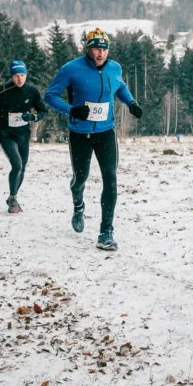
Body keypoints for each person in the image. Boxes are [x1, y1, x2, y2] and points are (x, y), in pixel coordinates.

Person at [44, 28, 142, 251]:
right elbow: (50, 96)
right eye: (97, 49)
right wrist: (71, 110)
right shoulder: (71, 68)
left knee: (111, 178)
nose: (101, 53)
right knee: (81, 178)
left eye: (104, 49)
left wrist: (131, 103)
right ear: (88, 49)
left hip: (106, 132)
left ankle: (106, 232)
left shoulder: (115, 68)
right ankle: (78, 204)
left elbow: (120, 86)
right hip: (80, 134)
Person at [0, 60, 48, 213]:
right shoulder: (3, 89)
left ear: (26, 75)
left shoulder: (32, 91)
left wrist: (33, 117)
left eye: (22, 75)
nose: (19, 79)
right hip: (6, 133)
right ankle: (13, 199)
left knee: (22, 169)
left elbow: (44, 111)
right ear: (12, 76)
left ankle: (13, 196)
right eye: (16, 76)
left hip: (23, 134)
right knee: (17, 165)